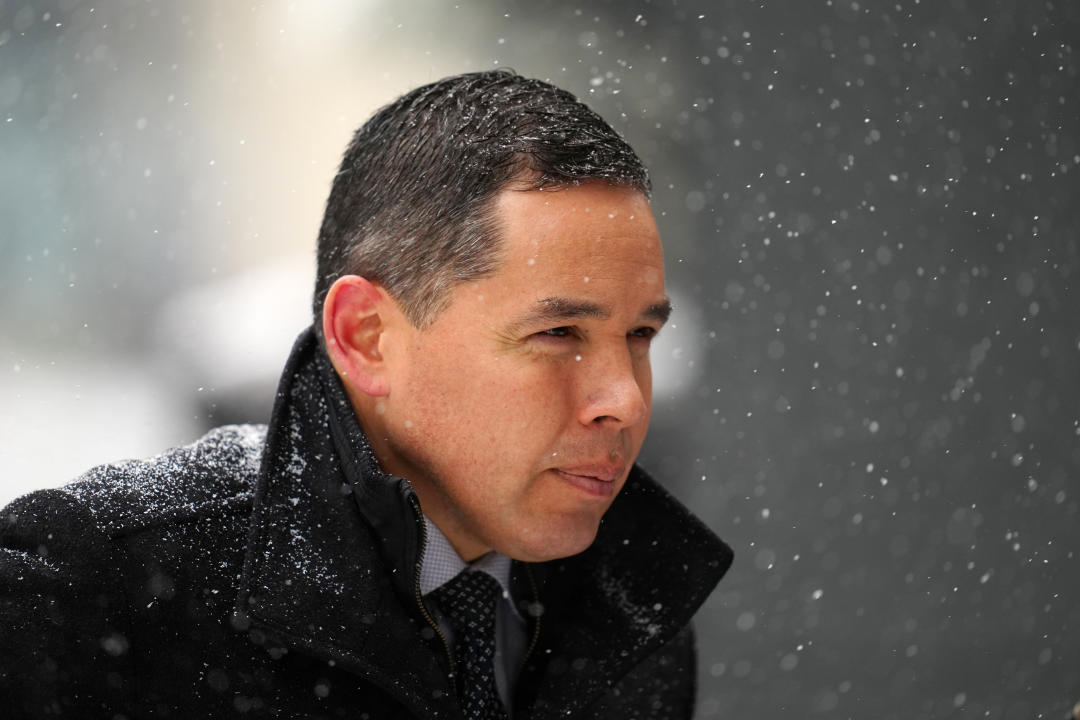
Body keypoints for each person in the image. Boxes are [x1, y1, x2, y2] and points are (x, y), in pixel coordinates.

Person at [0, 70, 732, 719]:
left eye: (640, 337)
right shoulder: (91, 597)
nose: (626, 400)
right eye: (559, 332)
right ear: (367, 337)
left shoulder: (627, 612)